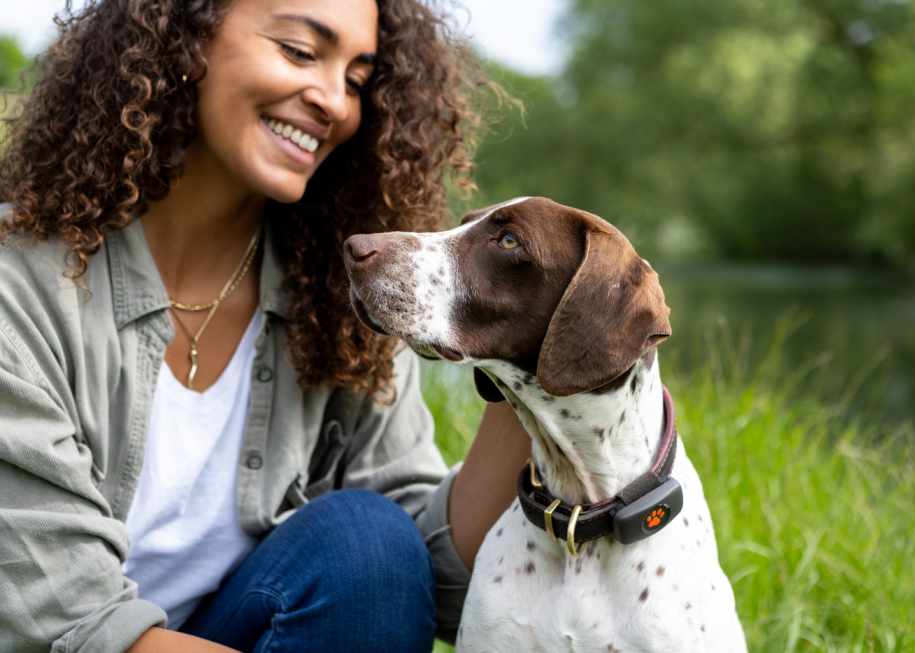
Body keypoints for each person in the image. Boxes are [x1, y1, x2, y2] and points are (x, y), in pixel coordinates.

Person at [0, 0, 530, 651]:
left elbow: (425, 575)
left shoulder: (334, 303)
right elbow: (63, 616)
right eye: (301, 52)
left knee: (369, 543)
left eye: (357, 80)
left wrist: (534, 363)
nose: (334, 101)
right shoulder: (17, 288)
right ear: (184, 37)